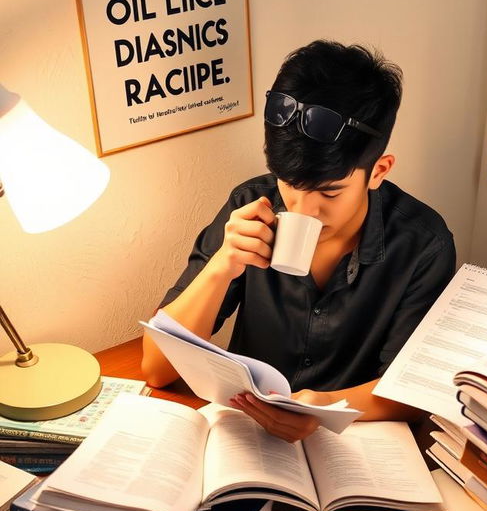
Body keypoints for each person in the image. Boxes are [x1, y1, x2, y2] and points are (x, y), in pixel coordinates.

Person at [141, 39, 456, 441]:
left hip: (355, 442)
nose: (304, 210)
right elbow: (155, 368)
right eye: (289, 184)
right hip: (244, 433)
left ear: (378, 171)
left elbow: (411, 392)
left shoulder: (422, 245)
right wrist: (222, 266)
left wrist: (324, 409)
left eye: (329, 193)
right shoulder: (251, 205)